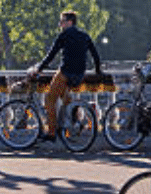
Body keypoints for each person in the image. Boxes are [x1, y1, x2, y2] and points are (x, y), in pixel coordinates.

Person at [28, 10, 103, 142]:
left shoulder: (64, 35)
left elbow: (51, 56)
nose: (60, 25)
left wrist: (38, 69)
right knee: (66, 100)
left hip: (65, 72)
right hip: (79, 75)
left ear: (69, 22)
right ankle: (75, 122)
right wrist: (97, 71)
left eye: (62, 22)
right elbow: (96, 56)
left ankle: (51, 133)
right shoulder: (84, 36)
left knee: (50, 99)